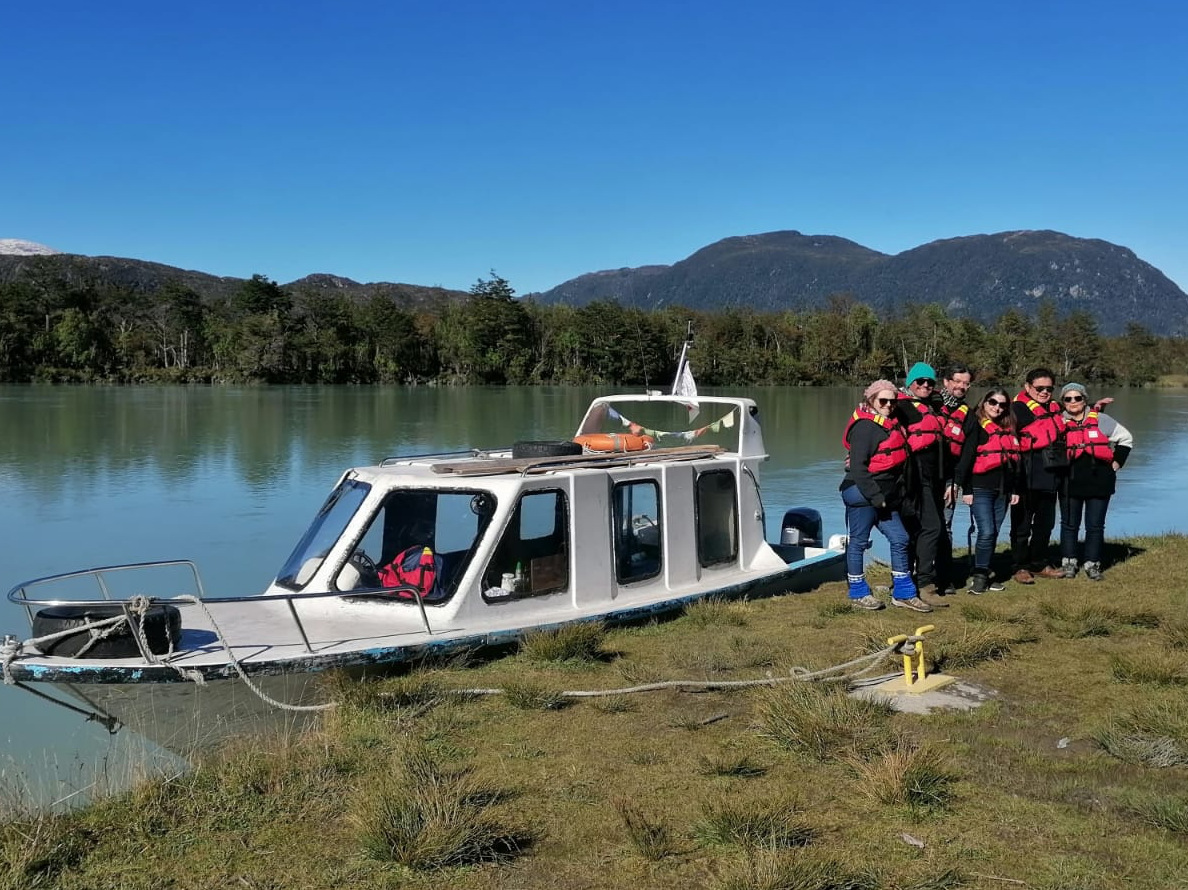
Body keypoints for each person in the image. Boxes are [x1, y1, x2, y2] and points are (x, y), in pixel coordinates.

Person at [840, 379, 932, 613]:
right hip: (862, 494)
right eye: (883, 400)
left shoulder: (890, 423)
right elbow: (858, 469)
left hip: (885, 496)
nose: (889, 405)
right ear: (871, 400)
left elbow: (915, 417)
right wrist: (875, 497)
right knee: (859, 542)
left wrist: (886, 497)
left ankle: (903, 592)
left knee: (900, 538)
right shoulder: (864, 428)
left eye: (892, 401)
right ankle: (858, 591)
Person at [1056, 382, 1133, 581]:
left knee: (1095, 525)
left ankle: (1092, 563)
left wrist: (1116, 463)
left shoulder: (1101, 420)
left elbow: (1126, 439)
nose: (1073, 402)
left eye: (1077, 398)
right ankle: (1069, 562)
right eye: (1068, 399)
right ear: (1063, 402)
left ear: (1084, 399)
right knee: (1069, 524)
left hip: (1099, 481)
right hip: (1068, 481)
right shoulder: (1056, 422)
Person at [955, 388, 1022, 593]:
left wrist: (1015, 490)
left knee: (993, 533)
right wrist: (966, 489)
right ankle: (979, 576)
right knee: (987, 531)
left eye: (1002, 405)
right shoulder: (976, 426)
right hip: (979, 488)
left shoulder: (1008, 428)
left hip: (1003, 490)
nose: (997, 407)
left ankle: (985, 570)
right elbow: (966, 459)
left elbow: (1016, 464)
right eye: (993, 402)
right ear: (984, 402)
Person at [898, 362, 949, 608]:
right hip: (911, 477)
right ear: (910, 384)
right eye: (921, 382)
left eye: (930, 382)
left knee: (922, 529)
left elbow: (957, 395)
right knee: (930, 527)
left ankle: (908, 580)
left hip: (933, 477)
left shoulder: (935, 405)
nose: (926, 386)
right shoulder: (899, 406)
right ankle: (924, 585)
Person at [1008, 368, 1067, 583]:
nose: (1044, 392)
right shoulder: (1016, 409)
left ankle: (1039, 562)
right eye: (1039, 388)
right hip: (1025, 475)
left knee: (1046, 523)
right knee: (1021, 524)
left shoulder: (1055, 408)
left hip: (1051, 474)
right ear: (1027, 387)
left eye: (1049, 389)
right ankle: (1019, 565)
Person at [932, 363, 974, 593]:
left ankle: (944, 577)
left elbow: (967, 453)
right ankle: (918, 575)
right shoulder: (929, 402)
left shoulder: (967, 413)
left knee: (945, 526)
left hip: (949, 480)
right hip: (924, 478)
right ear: (946, 381)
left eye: (966, 383)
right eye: (957, 381)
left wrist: (956, 482)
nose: (961, 387)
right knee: (921, 526)